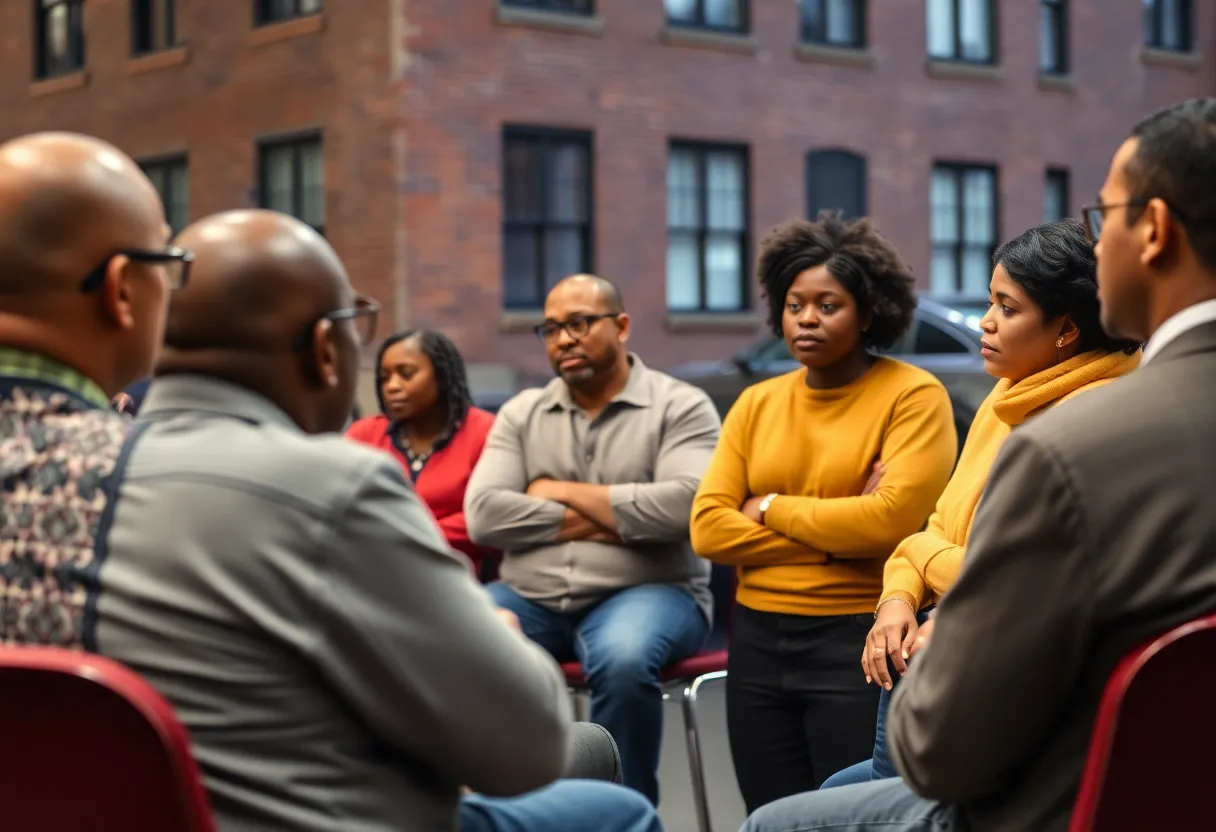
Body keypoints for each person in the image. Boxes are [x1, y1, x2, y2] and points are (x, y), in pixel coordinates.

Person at [0, 185, 660, 831]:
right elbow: (527, 748)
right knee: (615, 804)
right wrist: (506, 646)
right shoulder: (335, 486)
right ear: (325, 349)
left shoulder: (64, 483)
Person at [739, 98, 1216, 832]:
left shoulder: (1072, 446)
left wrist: (930, 592)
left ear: (1152, 230)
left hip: (1058, 794)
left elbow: (940, 756)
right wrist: (912, 574)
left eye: (1104, 213)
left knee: (769, 824)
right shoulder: (1013, 407)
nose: (1095, 245)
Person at [820, 218, 1141, 789]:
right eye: (990, 301)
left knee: (823, 806)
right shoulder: (1012, 392)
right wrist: (895, 599)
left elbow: (1020, 577)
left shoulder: (1095, 417)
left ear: (1066, 329)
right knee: (829, 795)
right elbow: (942, 526)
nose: (985, 323)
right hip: (935, 640)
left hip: (1000, 671)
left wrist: (922, 554)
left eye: (1007, 308)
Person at [689, 212, 958, 813]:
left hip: (856, 639)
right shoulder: (758, 402)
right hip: (756, 637)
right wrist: (843, 524)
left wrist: (769, 507)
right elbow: (707, 528)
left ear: (868, 312)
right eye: (794, 304)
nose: (806, 318)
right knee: (771, 814)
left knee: (853, 812)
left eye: (828, 305)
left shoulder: (913, 395)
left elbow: (888, 526)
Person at [464, 273, 722, 804]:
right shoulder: (521, 412)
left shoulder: (681, 406)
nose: (564, 339)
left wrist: (553, 491)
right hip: (530, 597)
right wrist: (622, 515)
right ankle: (513, 807)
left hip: (653, 591)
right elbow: (485, 515)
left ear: (622, 326)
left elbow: (685, 507)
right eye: (551, 328)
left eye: (580, 323)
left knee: (624, 659)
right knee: (457, 633)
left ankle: (617, 812)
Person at [346, 330, 497, 577]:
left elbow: (487, 519)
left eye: (406, 374)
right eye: (384, 378)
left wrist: (405, 538)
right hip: (375, 576)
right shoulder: (365, 435)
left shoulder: (486, 433)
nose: (392, 386)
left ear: (442, 376)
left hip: (460, 579)